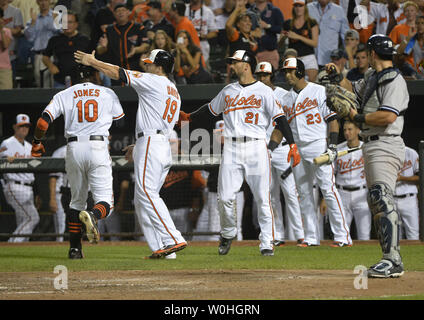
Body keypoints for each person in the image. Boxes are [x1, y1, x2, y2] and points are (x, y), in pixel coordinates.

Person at [178, 49, 301, 256]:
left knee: (263, 197)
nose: (231, 65)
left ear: (246, 65)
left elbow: (280, 119)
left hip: (256, 146)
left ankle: (267, 242)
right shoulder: (228, 91)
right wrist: (190, 117)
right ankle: (227, 233)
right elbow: (210, 109)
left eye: (234, 62)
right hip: (232, 147)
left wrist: (292, 144)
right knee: (224, 197)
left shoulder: (264, 91)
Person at [75, 48, 188, 258]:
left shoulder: (154, 81)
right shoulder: (174, 89)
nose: (146, 65)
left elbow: (118, 73)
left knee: (147, 192)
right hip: (160, 142)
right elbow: (161, 122)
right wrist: (139, 144)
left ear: (159, 66)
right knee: (141, 199)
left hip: (153, 143)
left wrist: (93, 61)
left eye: (149, 63)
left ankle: (174, 238)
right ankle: (163, 248)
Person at [326, 34, 409, 277]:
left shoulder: (395, 79)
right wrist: (337, 77)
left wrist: (357, 118)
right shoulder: (373, 76)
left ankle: (393, 260)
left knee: (381, 196)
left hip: (386, 141)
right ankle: (389, 257)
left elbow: (388, 116)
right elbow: (352, 90)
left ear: (373, 53)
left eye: (368, 52)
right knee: (377, 201)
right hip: (371, 143)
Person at [30, 66, 125, 259]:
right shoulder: (107, 92)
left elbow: (42, 123)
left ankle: (74, 250)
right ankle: (94, 215)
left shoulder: (64, 94)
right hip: (98, 146)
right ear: (95, 74)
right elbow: (121, 122)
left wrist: (37, 143)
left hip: (73, 148)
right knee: (106, 202)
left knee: (76, 201)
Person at [280, 57, 352, 248]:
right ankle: (311, 237)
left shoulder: (319, 91)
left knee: (328, 189)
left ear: (300, 72)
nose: (287, 75)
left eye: (290, 71)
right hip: (297, 148)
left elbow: (333, 119)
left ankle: (343, 236)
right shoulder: (285, 98)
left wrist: (334, 146)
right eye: (285, 71)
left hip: (318, 144)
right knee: (303, 193)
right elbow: (282, 127)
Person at [254, 61, 304, 245]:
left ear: (272, 76)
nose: (262, 79)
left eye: (265, 75)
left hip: (281, 148)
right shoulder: (254, 95)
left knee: (290, 192)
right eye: (259, 76)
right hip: (263, 149)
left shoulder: (283, 95)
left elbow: (288, 123)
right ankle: (277, 235)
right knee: (271, 195)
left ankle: (301, 235)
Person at [0, 114, 40, 242]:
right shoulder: (7, 143)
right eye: (21, 126)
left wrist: (37, 192)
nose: (24, 129)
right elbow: (2, 161)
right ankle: (11, 243)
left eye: (26, 126)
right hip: (14, 185)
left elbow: (35, 170)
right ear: (14, 127)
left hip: (29, 188)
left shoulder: (30, 147)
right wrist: (6, 159)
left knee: (23, 221)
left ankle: (19, 249)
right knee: (32, 218)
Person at [332, 121, 371, 240]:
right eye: (344, 130)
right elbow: (331, 174)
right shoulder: (338, 149)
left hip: (362, 193)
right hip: (342, 193)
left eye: (350, 129)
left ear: (358, 130)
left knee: (364, 234)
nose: (347, 133)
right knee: (342, 233)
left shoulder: (366, 148)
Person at [96, 4, 150, 85]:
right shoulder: (109, 30)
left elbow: (146, 46)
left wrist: (135, 50)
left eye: (123, 10)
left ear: (128, 12)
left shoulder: (138, 27)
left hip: (135, 70)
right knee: (119, 95)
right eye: (118, 11)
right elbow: (99, 50)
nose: (120, 13)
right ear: (114, 14)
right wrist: (104, 47)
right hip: (116, 71)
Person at [42, 11, 92, 88]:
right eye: (64, 22)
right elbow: (45, 57)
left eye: (70, 22)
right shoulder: (54, 40)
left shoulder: (85, 40)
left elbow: (93, 58)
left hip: (81, 81)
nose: (67, 25)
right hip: (60, 80)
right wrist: (51, 66)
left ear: (76, 24)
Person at [280, 0, 319, 82]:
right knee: (294, 82)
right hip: (293, 57)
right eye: (296, 6)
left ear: (305, 7)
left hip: (308, 57)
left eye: (300, 6)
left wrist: (298, 37)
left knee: (311, 83)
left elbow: (315, 43)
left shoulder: (311, 22)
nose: (298, 8)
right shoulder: (288, 23)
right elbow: (279, 45)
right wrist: (283, 38)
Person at [24, 0, 58, 88]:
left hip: (55, 55)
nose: (43, 3)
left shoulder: (56, 16)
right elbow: (29, 38)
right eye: (41, 0)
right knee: (41, 85)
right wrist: (32, 23)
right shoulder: (33, 19)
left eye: (45, 0)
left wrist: (53, 22)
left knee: (56, 83)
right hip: (39, 55)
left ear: (50, 1)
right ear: (37, 2)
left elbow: (62, 33)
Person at [307, 0, 350, 67]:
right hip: (310, 60)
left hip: (331, 61)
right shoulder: (308, 8)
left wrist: (347, 57)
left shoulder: (339, 10)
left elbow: (346, 36)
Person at [225, 0, 259, 83]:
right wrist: (237, 9)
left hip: (251, 74)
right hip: (237, 74)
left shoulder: (252, 38)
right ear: (238, 24)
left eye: (249, 21)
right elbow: (228, 25)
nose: (248, 23)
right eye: (244, 21)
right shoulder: (236, 36)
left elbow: (255, 57)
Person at [248, 0, 284, 69]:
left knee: (270, 78)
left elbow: (282, 29)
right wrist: (252, 32)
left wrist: (268, 26)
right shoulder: (248, 11)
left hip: (269, 52)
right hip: (252, 53)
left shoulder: (275, 11)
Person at [394, 146, 420, 240]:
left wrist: (402, 178)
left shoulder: (411, 152)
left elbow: (420, 177)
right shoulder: (386, 154)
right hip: (392, 199)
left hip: (409, 199)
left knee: (413, 235)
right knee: (395, 236)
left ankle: (414, 255)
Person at [389, 1, 419, 74]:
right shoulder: (397, 28)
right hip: (403, 64)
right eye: (407, 11)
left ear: (417, 12)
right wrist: (401, 46)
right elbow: (390, 45)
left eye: (412, 10)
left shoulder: (421, 28)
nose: (409, 13)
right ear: (404, 13)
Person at [185, 0, 218, 64]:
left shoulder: (208, 12)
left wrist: (204, 36)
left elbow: (214, 32)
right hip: (186, 45)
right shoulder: (184, 9)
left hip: (202, 45)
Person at [49, 144, 67, 242]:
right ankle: (59, 245)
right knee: (61, 225)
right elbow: (53, 177)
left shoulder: (83, 149)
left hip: (75, 194)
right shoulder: (60, 152)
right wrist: (52, 199)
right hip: (59, 193)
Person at [0, 7, 12, 89]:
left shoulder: (7, 31)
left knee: (7, 96)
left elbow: (5, 45)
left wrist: (1, 30)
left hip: (4, 69)